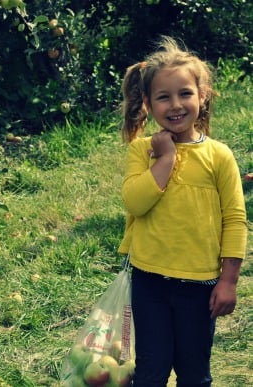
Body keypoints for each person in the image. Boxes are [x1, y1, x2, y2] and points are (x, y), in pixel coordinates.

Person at [117, 36, 247, 387]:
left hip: (199, 285)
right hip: (149, 281)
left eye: (185, 94)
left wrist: (229, 280)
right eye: (163, 97)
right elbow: (135, 202)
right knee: (150, 371)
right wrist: (167, 159)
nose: (175, 105)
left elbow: (235, 219)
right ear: (147, 103)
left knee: (194, 373)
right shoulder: (142, 151)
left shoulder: (219, 156)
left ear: (201, 96)